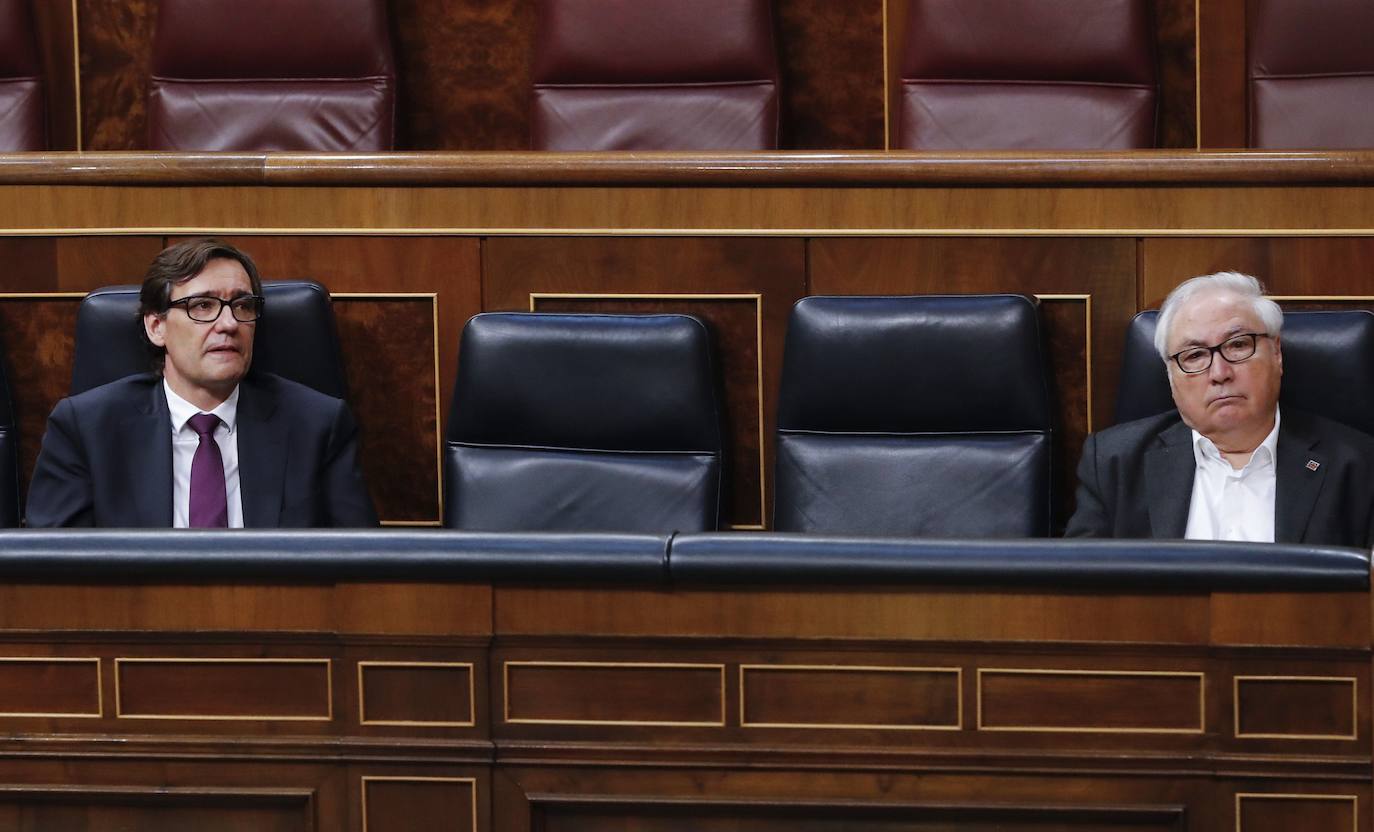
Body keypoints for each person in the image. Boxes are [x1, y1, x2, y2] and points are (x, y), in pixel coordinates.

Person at [26, 239, 378, 528]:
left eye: (242, 306)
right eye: (203, 305)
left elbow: (363, 570)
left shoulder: (317, 425)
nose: (228, 323)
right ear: (156, 327)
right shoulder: (85, 429)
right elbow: (55, 576)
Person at [1065, 271, 1374, 547]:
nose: (1219, 372)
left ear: (1277, 353)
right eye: (1195, 355)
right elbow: (1079, 593)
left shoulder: (1358, 468)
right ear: (1170, 376)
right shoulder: (1113, 464)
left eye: (1238, 345)